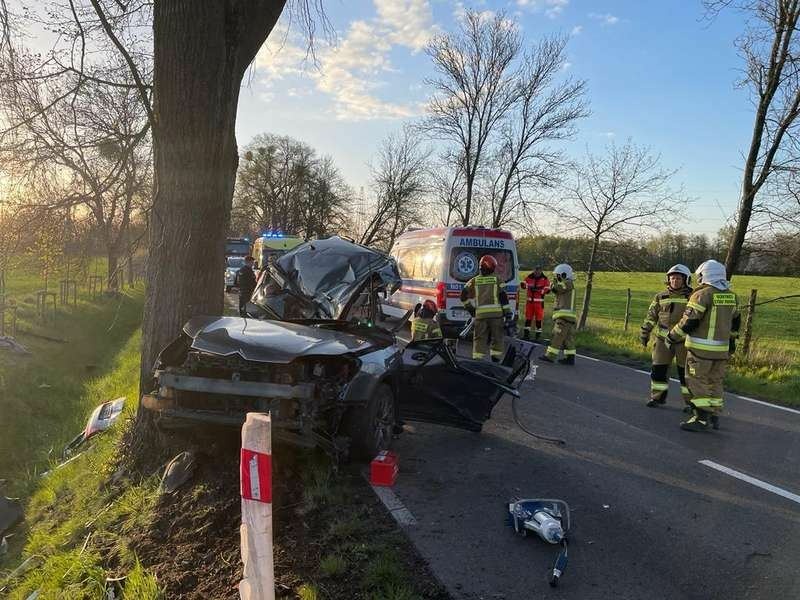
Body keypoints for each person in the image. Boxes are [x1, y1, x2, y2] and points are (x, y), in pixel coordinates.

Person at [666, 259, 740, 432]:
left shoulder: (702, 294)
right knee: (715, 381)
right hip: (721, 351)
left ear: (704, 275)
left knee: (696, 381)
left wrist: (671, 336)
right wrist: (732, 342)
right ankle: (714, 416)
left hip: (700, 351)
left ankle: (700, 418)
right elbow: (736, 320)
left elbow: (688, 322)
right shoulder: (731, 295)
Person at [640, 264, 693, 410]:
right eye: (672, 278)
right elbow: (651, 317)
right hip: (662, 342)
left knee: (686, 374)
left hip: (684, 342)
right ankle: (657, 398)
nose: (675, 281)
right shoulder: (660, 297)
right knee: (658, 370)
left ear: (686, 280)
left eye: (678, 278)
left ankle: (690, 403)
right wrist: (645, 332)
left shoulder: (692, 297)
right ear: (668, 280)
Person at [461, 255, 513, 362]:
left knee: (479, 339)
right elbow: (503, 298)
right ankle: (495, 360)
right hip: (496, 316)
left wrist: (471, 310)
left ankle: (477, 360)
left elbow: (463, 295)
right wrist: (507, 314)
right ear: (492, 267)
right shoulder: (498, 279)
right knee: (497, 338)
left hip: (480, 316)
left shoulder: (473, 281)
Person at [539, 263, 576, 365]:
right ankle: (570, 357)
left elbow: (556, 289)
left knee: (557, 336)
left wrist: (552, 283)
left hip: (563, 317)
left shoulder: (567, 283)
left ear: (564, 275)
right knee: (568, 338)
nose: (557, 278)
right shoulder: (569, 284)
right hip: (568, 317)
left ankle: (550, 356)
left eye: (558, 275)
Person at [521, 265, 550, 341]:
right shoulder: (529, 277)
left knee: (538, 320)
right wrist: (524, 285)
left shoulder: (545, 279)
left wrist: (538, 290)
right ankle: (526, 335)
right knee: (528, 319)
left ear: (541, 270)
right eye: (535, 270)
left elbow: (547, 289)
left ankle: (538, 337)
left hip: (539, 304)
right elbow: (524, 283)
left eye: (538, 270)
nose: (537, 272)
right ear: (534, 270)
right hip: (530, 303)